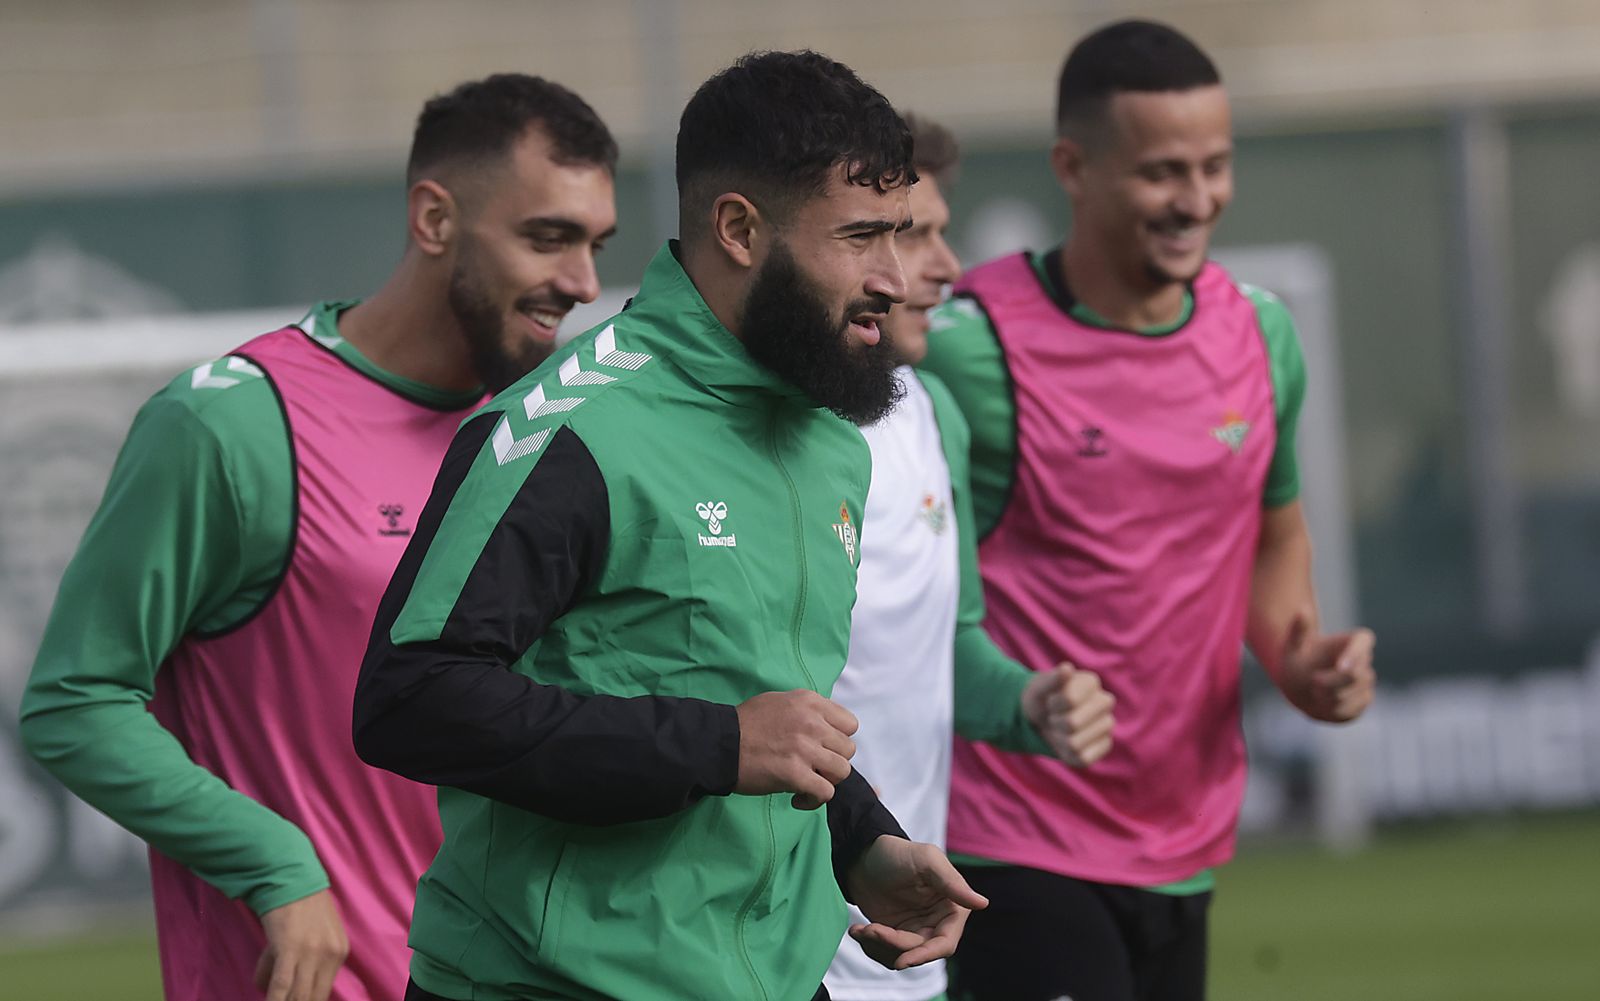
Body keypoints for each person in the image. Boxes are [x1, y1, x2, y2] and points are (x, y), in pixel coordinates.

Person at [352, 51, 987, 1001]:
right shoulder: (568, 428)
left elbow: (765, 707)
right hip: (549, 984)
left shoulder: (832, 438)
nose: (893, 278)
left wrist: (861, 838)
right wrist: (715, 745)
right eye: (860, 236)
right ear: (738, 228)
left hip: (779, 976)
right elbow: (411, 697)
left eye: (898, 234)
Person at [19, 74, 618, 1001]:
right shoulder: (232, 424)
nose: (581, 282)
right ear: (434, 219)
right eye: (547, 237)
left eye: (594, 245)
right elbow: (76, 700)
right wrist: (276, 862)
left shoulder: (552, 439)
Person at [919, 21, 1378, 1001]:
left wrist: (1299, 657)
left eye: (1215, 166)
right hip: (1009, 833)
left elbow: (1272, 533)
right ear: (1073, 167)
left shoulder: (1259, 331)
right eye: (1164, 171)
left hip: (1183, 839)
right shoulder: (966, 343)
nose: (1197, 198)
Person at [823, 113, 1116, 1001]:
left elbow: (948, 645)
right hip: (786, 942)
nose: (947, 269)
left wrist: (1029, 701)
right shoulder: (762, 437)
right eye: (916, 235)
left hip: (912, 938)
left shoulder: (931, 413)